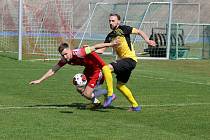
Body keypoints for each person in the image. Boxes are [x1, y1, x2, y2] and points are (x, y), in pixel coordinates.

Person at [95, 13, 156, 111]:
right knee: (120, 85)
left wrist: (147, 40)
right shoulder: (110, 36)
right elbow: (101, 50)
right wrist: (90, 50)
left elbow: (139, 31)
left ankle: (110, 95)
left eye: (113, 21)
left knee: (106, 68)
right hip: (126, 62)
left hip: (129, 60)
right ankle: (135, 106)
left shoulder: (124, 29)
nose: (111, 23)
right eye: (109, 21)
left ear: (118, 21)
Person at [29, 41, 119, 108]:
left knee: (87, 93)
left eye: (65, 54)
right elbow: (54, 69)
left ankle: (108, 94)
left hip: (96, 70)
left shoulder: (79, 52)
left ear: (70, 50)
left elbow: (95, 47)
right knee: (79, 88)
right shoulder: (65, 59)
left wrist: (111, 44)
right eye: (62, 55)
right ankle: (96, 103)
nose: (64, 57)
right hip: (88, 70)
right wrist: (40, 80)